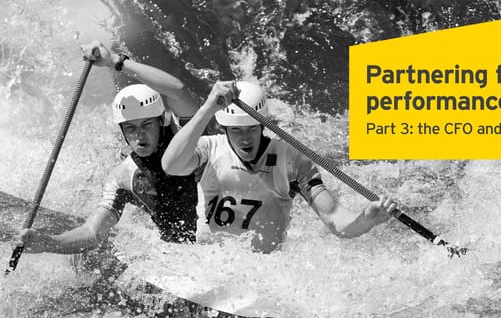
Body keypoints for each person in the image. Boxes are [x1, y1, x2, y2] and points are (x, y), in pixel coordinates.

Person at [162, 81, 397, 253]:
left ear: (262, 125)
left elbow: (336, 219)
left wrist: (367, 219)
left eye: (251, 129)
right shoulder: (209, 149)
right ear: (224, 128)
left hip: (264, 270)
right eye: (236, 130)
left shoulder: (291, 160)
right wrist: (207, 108)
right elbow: (170, 165)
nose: (245, 139)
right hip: (208, 263)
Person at [15, 40, 199, 254]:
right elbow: (92, 234)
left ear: (161, 120)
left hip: (218, 232)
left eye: (147, 125)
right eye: (130, 128)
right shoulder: (123, 177)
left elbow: (178, 90)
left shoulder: (185, 134)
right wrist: (48, 243)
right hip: (184, 255)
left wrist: (115, 61)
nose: (139, 135)